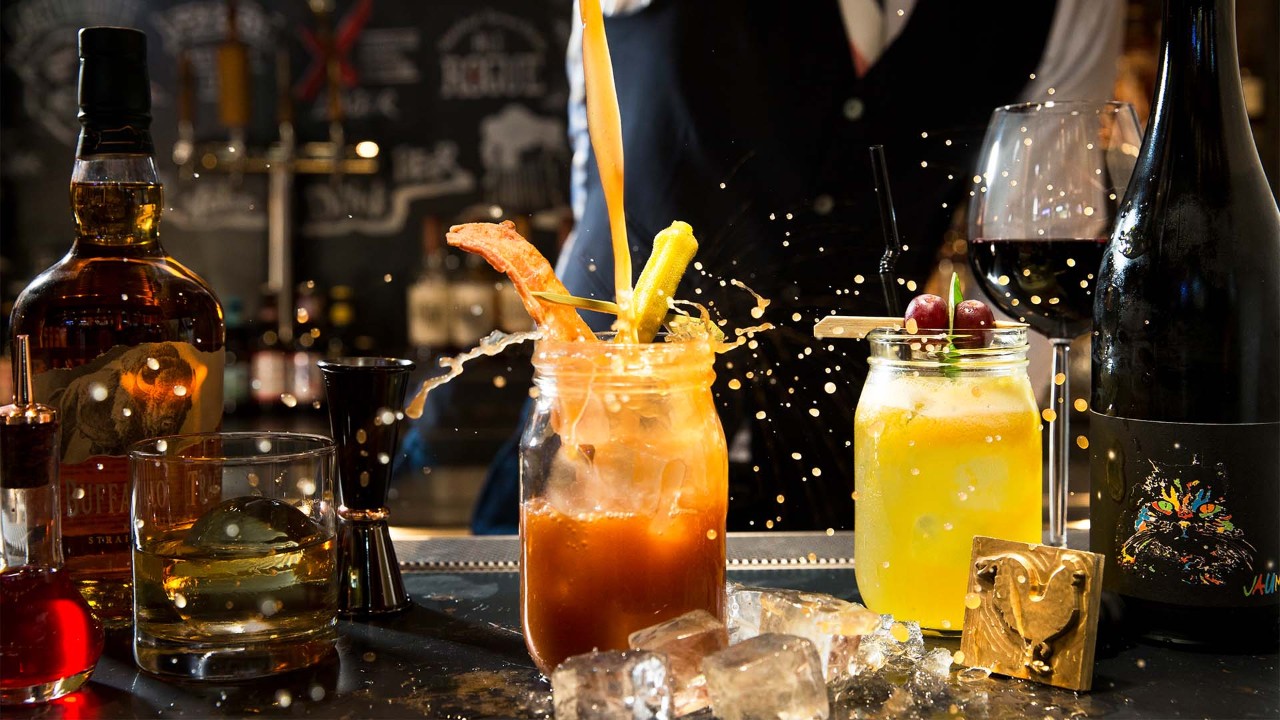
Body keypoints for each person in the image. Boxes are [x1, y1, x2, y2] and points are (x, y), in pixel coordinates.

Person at [470, 0, 1124, 534]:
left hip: (850, 473)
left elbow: (1040, 244)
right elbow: (595, 148)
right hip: (596, 436)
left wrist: (961, 430)